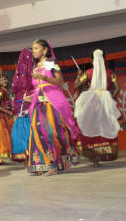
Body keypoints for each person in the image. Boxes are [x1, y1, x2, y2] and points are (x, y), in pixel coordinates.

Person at [24, 39, 80, 177]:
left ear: (44, 50)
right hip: (38, 105)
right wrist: (31, 97)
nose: (33, 51)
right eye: (33, 48)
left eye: (36, 48)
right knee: (38, 134)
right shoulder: (34, 67)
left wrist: (43, 77)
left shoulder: (51, 63)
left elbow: (60, 82)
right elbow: (39, 87)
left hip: (52, 104)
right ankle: (50, 165)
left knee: (53, 133)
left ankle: (63, 159)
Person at [74, 49, 121, 166]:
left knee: (91, 127)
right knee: (104, 127)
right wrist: (111, 97)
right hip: (104, 102)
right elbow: (118, 87)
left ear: (92, 60)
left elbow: (76, 86)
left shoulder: (88, 72)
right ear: (104, 59)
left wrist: (79, 76)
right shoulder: (110, 72)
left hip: (91, 103)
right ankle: (100, 155)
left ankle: (94, 157)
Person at [11, 48, 34, 163]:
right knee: (29, 129)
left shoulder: (18, 75)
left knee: (20, 131)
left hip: (22, 101)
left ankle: (26, 159)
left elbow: (14, 87)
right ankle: (31, 158)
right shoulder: (34, 72)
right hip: (30, 99)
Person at [0, 73, 14, 160]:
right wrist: (7, 111)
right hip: (2, 117)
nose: (3, 81)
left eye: (4, 79)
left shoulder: (5, 90)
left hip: (6, 116)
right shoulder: (1, 91)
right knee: (1, 137)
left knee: (3, 136)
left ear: (7, 80)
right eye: (1, 80)